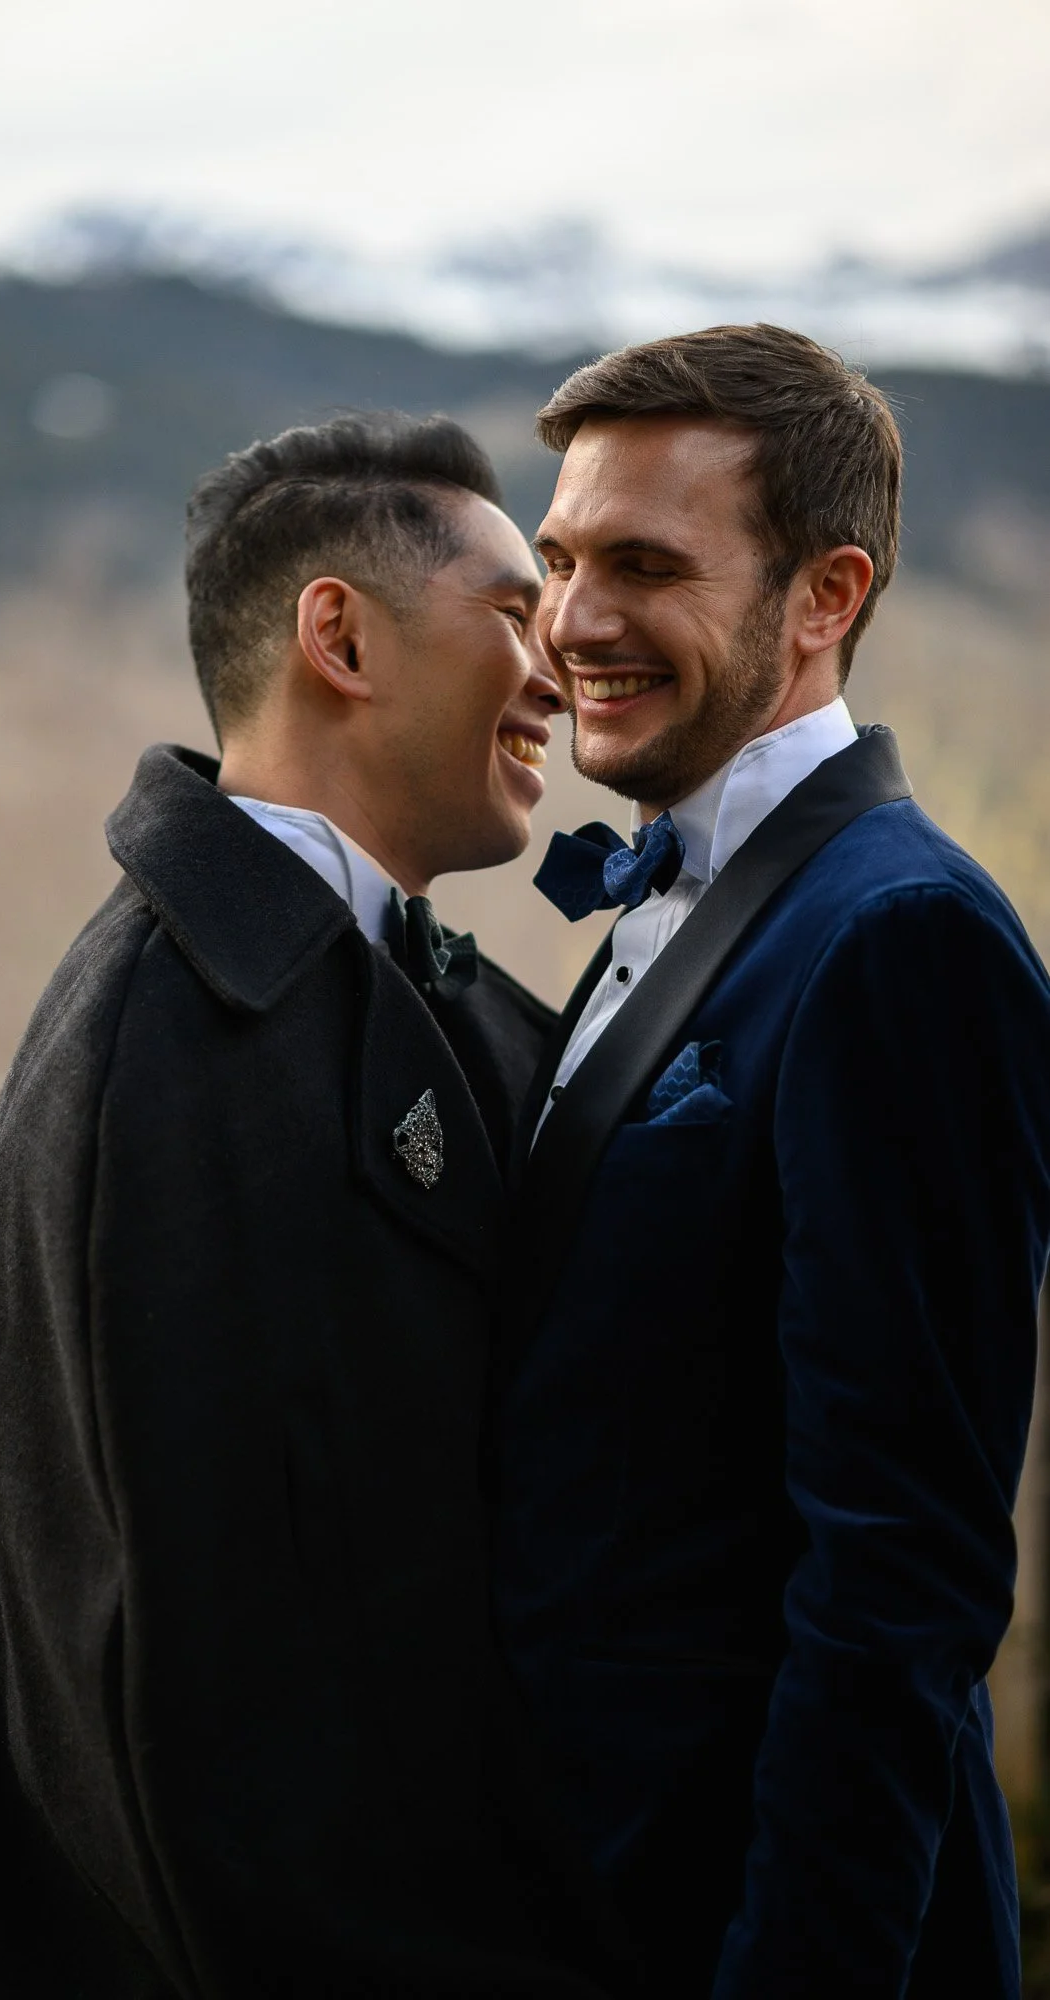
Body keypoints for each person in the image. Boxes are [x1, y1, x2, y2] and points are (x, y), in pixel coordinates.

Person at [0, 412, 604, 1998]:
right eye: (515, 612)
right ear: (340, 635)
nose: (558, 668)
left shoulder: (346, 987)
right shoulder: (174, 1056)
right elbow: (184, 1696)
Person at [493, 324, 1050, 1999]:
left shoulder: (902, 940)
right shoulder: (686, 893)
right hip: (591, 1892)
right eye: (561, 557)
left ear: (826, 596)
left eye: (646, 566)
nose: (574, 622)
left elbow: (901, 1582)